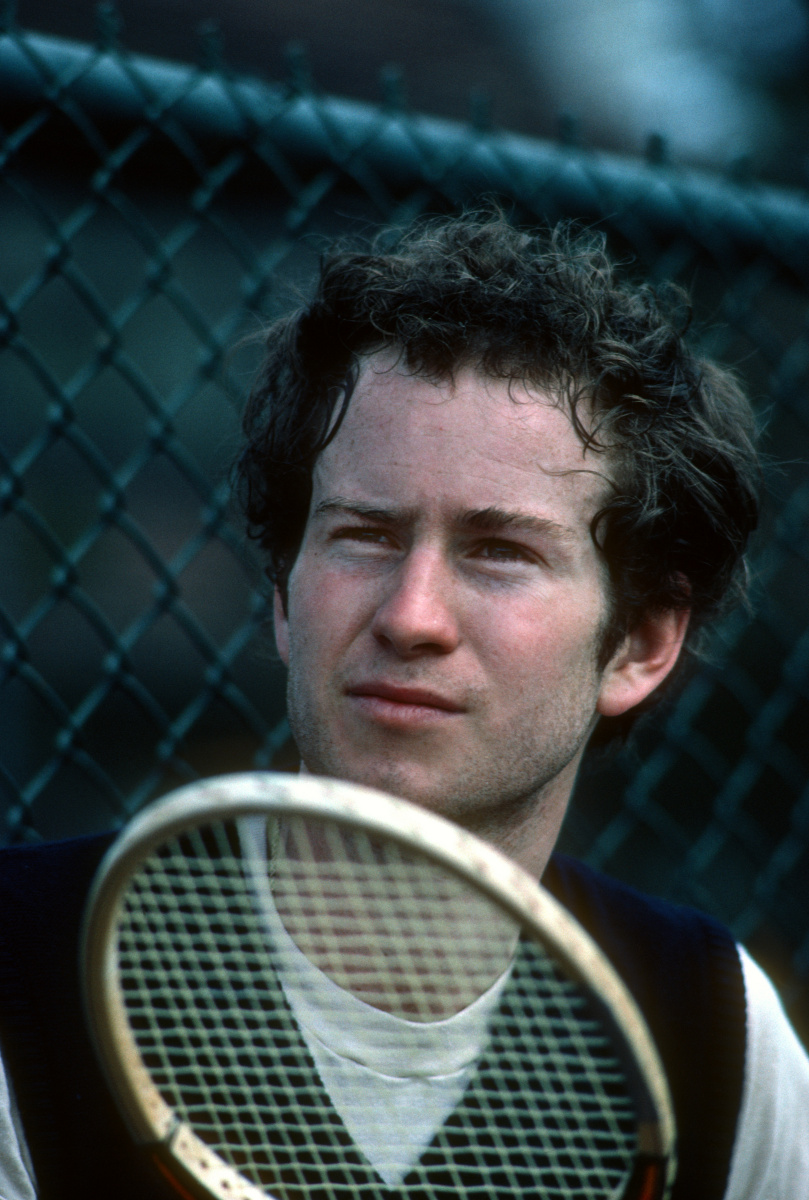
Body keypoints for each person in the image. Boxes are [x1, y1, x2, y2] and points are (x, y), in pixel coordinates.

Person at [0, 211, 806, 1200]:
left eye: (498, 552)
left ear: (636, 644)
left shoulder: (716, 1034)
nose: (410, 615)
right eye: (363, 535)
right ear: (284, 593)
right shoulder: (24, 974)